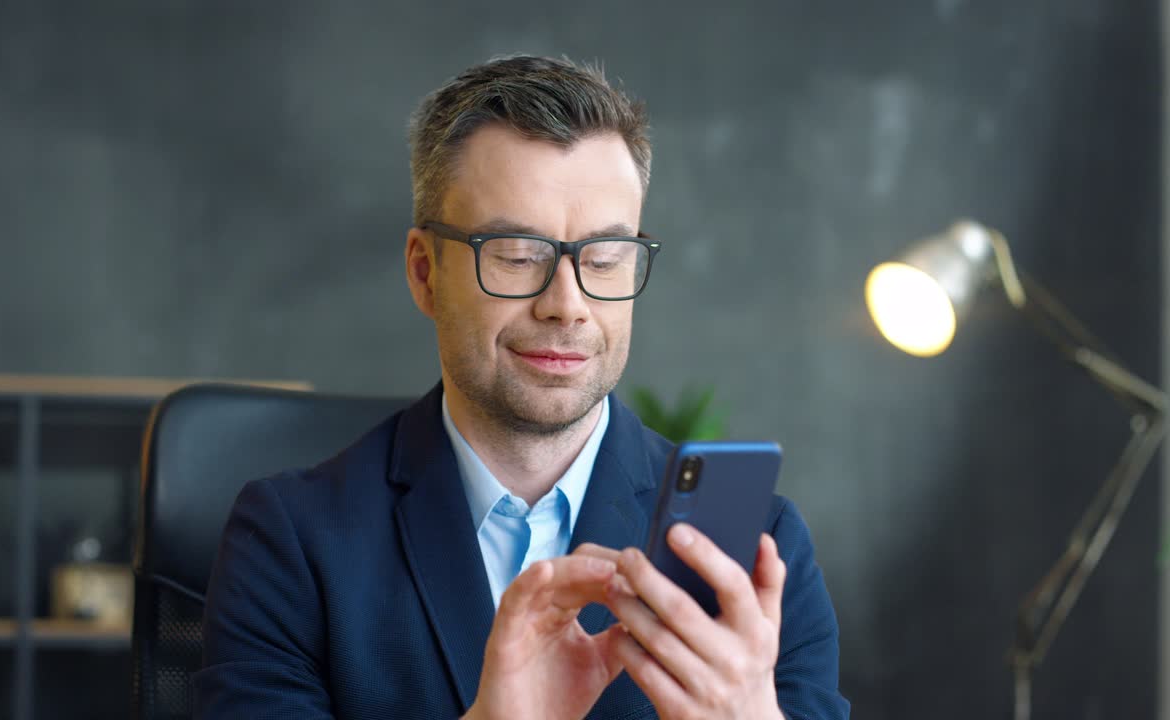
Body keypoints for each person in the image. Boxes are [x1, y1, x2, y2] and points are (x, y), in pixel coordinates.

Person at [195, 54, 849, 720]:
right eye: (517, 255)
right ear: (425, 273)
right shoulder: (289, 542)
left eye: (604, 257)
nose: (567, 305)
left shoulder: (759, 551)